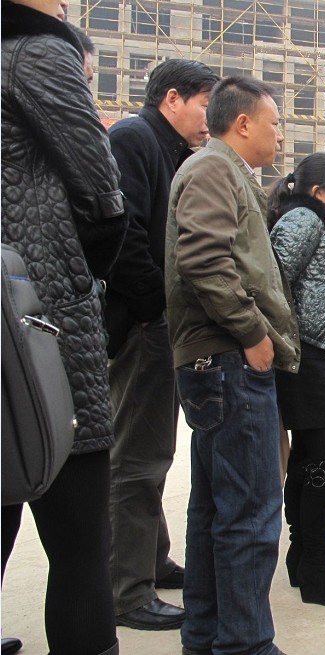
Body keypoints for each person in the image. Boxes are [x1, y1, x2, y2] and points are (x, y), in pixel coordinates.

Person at [1, 1, 128, 653]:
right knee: (80, 541)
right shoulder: (39, 50)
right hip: (38, 319)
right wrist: (80, 277)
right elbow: (103, 195)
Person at [165, 76, 298, 655]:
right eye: (275, 123)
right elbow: (202, 257)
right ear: (243, 123)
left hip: (218, 359)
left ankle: (206, 637)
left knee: (217, 508)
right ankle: (245, 645)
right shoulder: (213, 169)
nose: (280, 135)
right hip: (227, 358)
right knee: (250, 510)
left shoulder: (221, 170)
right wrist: (252, 333)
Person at [105, 58, 218, 632]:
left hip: (160, 325)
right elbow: (122, 233)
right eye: (205, 105)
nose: (209, 119)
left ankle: (151, 560)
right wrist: (157, 305)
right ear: (172, 98)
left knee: (154, 452)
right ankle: (126, 591)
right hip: (142, 325)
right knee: (135, 458)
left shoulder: (171, 151)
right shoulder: (134, 139)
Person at [267, 153, 325, 608]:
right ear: (319, 191)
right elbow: (271, 281)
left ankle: (303, 557)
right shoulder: (302, 219)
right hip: (303, 357)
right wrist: (286, 340)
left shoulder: (318, 220)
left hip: (319, 354)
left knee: (310, 458)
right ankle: (316, 568)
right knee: (324, 459)